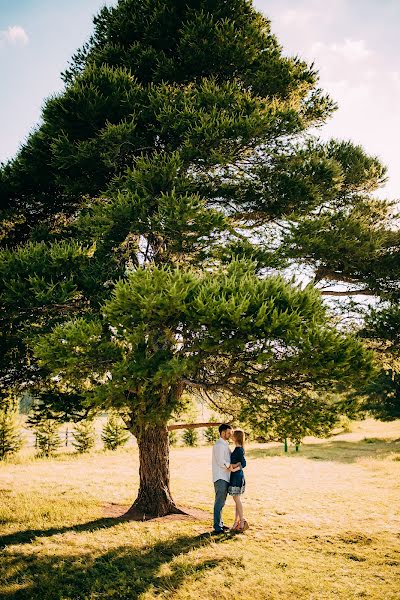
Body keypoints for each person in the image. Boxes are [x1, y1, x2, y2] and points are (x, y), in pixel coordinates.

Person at [212, 423, 242, 534]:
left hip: (225, 476)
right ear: (223, 432)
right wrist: (231, 467)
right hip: (220, 477)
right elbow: (221, 462)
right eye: (229, 432)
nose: (230, 434)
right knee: (219, 502)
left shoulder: (224, 444)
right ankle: (217, 527)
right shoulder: (219, 445)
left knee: (222, 502)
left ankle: (219, 524)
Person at [228, 429, 248, 532]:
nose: (231, 436)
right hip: (235, 476)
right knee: (236, 500)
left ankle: (242, 521)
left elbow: (244, 463)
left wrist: (234, 468)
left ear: (236, 437)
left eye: (233, 435)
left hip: (237, 476)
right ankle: (236, 522)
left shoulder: (239, 449)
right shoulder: (237, 448)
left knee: (237, 500)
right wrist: (234, 466)